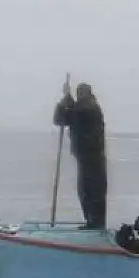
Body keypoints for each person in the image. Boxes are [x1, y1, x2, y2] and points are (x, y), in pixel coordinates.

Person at [53, 80, 107, 230]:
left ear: (89, 94)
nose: (80, 96)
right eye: (78, 93)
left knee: (93, 192)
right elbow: (59, 119)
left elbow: (71, 114)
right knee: (84, 192)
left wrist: (66, 98)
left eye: (82, 93)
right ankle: (91, 222)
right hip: (84, 158)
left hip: (93, 158)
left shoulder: (91, 109)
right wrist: (65, 100)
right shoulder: (80, 109)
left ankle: (96, 224)